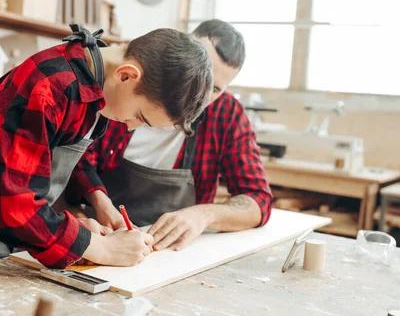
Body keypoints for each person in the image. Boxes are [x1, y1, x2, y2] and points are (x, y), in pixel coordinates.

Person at [0, 25, 213, 277]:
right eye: (139, 117)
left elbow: (55, 151)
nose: (130, 127)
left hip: (12, 237)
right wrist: (99, 248)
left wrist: (98, 200)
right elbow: (13, 204)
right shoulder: (50, 86)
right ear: (127, 75)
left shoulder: (96, 85)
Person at [66, 20, 273, 252]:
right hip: (99, 238)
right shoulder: (126, 88)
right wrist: (97, 202)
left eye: (213, 88)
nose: (198, 92)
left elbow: (258, 200)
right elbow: (73, 159)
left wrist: (204, 214)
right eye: (196, 71)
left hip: (167, 253)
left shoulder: (226, 114)